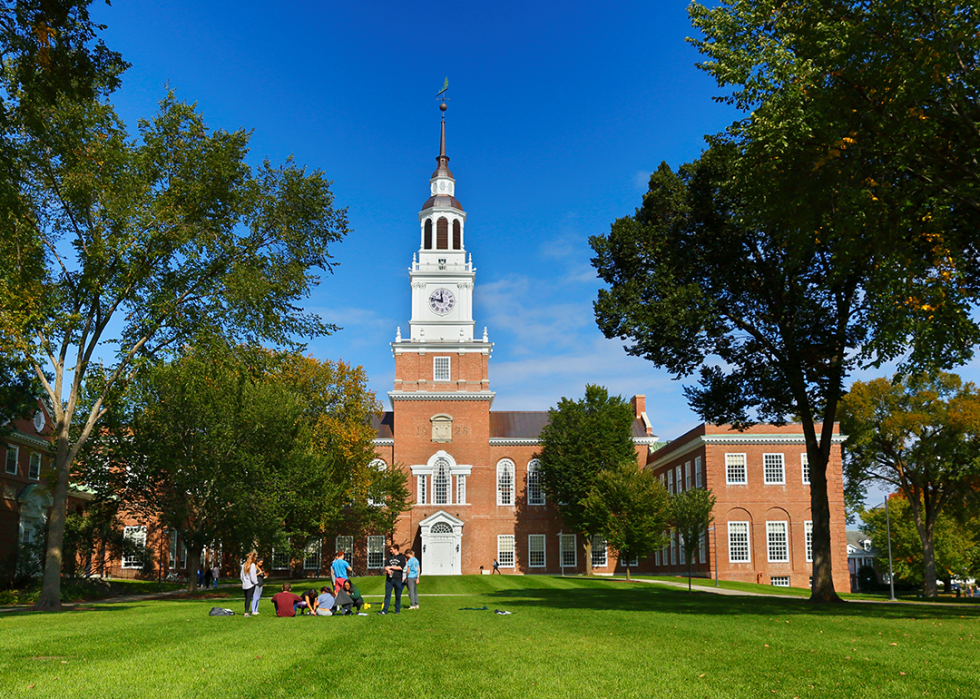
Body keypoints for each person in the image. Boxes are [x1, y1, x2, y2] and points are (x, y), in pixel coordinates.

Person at [378, 543, 406, 615]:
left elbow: (401, 567)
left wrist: (391, 567)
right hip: (389, 580)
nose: (390, 551)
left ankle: (397, 610)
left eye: (391, 549)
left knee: (398, 596)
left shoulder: (401, 557)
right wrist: (388, 570)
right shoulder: (389, 557)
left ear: (396, 549)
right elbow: (386, 566)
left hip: (398, 579)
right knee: (387, 595)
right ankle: (385, 610)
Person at [240, 552, 259, 617]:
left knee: (246, 599)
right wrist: (256, 582)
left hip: (245, 584)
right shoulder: (252, 565)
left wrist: (243, 581)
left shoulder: (243, 565)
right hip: (250, 584)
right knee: (249, 598)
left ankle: (246, 611)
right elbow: (253, 575)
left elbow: (241, 576)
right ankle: (246, 612)